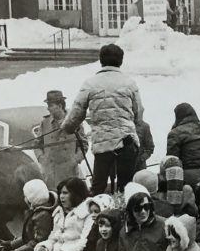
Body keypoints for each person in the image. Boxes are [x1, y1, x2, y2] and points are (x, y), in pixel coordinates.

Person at [61, 43, 144, 195]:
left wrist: (67, 127)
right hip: (127, 143)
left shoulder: (90, 83)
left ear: (101, 61)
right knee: (126, 189)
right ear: (121, 61)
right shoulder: (129, 83)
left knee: (98, 188)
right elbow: (139, 114)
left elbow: (75, 114)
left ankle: (96, 213)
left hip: (103, 144)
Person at [36, 90, 88, 189]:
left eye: (51, 105)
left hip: (69, 172)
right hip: (51, 173)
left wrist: (75, 160)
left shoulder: (74, 121)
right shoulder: (45, 123)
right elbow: (37, 145)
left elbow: (84, 144)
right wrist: (42, 159)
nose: (48, 108)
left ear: (60, 106)